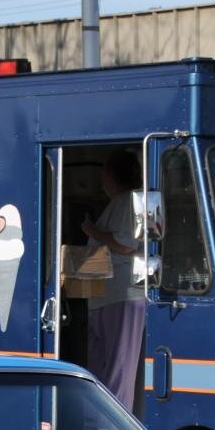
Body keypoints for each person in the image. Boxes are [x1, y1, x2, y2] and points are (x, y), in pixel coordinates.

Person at [80, 150, 146, 413]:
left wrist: (93, 232)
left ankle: (114, 425)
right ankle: (101, 422)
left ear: (109, 175)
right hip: (105, 296)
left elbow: (126, 245)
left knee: (118, 366)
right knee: (105, 364)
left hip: (122, 294)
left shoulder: (128, 201)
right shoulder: (120, 203)